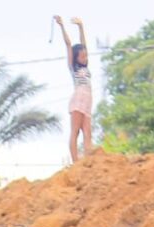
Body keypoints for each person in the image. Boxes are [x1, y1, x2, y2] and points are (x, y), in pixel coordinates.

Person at [55, 15, 91, 163]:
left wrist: (81, 27)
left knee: (88, 132)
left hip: (88, 101)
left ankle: (89, 160)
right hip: (78, 99)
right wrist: (62, 26)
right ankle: (76, 161)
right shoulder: (73, 68)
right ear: (76, 58)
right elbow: (69, 45)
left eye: (85, 56)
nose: (85, 58)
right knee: (75, 131)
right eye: (82, 56)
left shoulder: (86, 67)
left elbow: (84, 44)